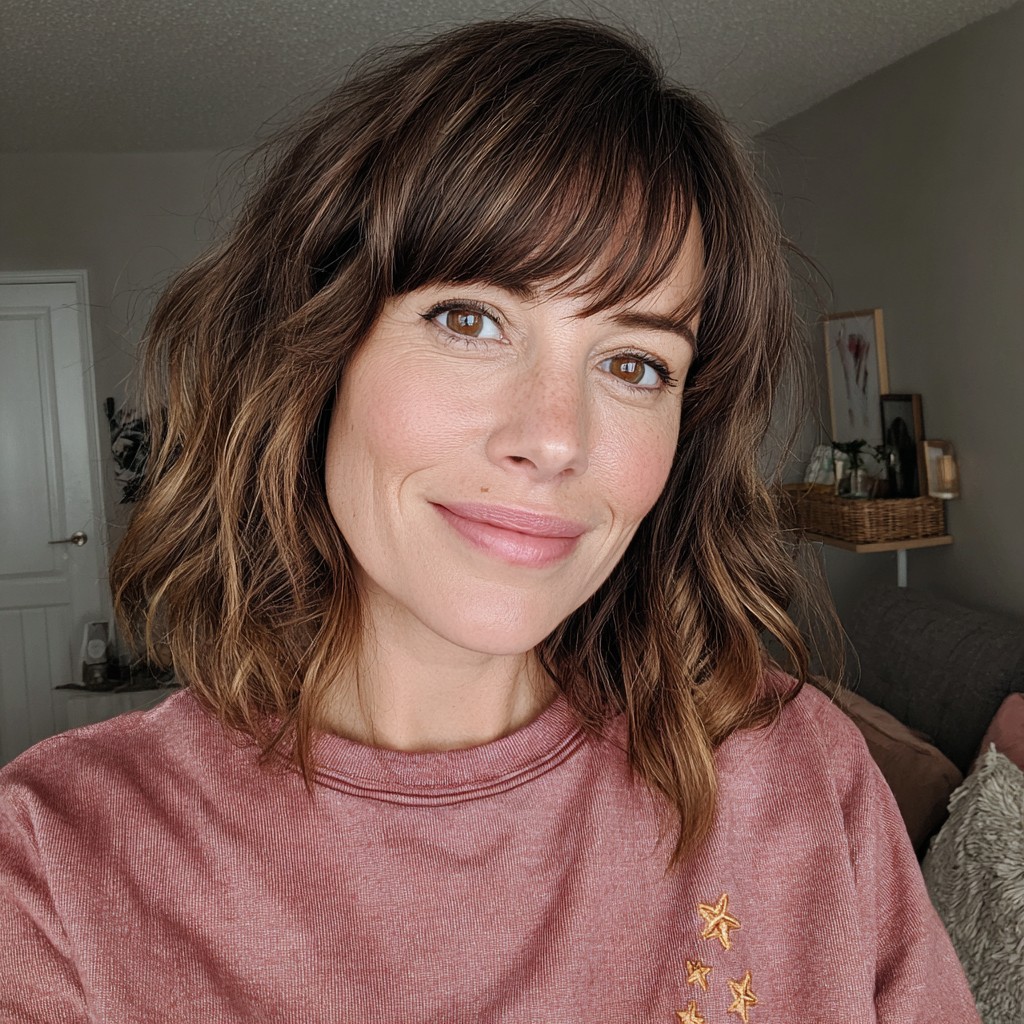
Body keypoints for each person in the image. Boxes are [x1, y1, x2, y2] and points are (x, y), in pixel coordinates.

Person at [0, 18, 979, 1023]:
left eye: (634, 363)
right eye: (469, 320)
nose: (553, 438)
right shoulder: (56, 868)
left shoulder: (800, 777)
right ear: (314, 352)